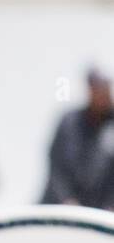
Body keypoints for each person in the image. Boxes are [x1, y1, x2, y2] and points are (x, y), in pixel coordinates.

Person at [41, 67, 114, 209]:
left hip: (99, 217)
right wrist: (67, 200)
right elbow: (56, 165)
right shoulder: (69, 123)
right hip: (59, 210)